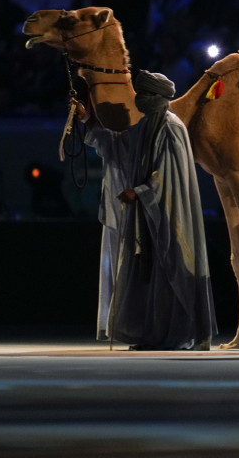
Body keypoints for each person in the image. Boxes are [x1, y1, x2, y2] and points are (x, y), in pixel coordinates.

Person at [82, 70, 216, 350]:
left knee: (172, 268)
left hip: (169, 213)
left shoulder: (171, 126)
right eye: (139, 95)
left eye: (145, 95)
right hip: (147, 213)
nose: (141, 101)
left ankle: (177, 334)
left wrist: (141, 192)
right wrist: (88, 121)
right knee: (148, 272)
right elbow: (119, 148)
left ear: (158, 97)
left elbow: (168, 173)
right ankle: (152, 333)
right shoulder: (145, 126)